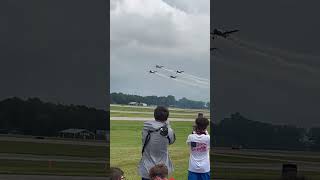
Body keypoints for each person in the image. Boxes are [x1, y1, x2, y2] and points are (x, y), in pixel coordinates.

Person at [138, 106, 176, 180]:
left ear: (154, 115)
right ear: (167, 117)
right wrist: (167, 125)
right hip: (162, 169)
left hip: (147, 168)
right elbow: (171, 141)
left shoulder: (146, 128)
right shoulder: (169, 131)